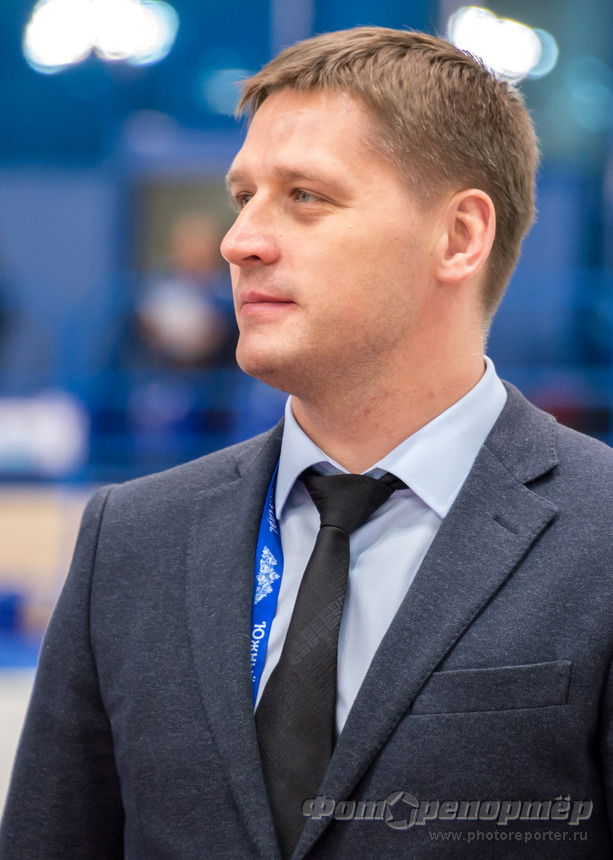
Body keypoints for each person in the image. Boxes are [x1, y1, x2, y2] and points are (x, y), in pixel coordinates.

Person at [1, 26, 613, 859]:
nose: (238, 241)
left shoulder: (598, 535)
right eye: (242, 196)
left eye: (305, 196)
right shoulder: (131, 542)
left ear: (459, 236)